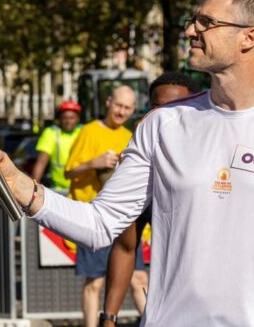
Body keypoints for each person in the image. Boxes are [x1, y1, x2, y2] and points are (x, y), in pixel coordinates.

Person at [0, 0, 254, 326]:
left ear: (249, 37)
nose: (190, 31)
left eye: (207, 22)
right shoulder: (162, 124)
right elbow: (100, 224)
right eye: (192, 20)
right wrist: (21, 186)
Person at [101, 72, 200, 326]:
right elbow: (125, 247)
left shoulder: (210, 163)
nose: (164, 114)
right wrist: (108, 319)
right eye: (158, 107)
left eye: (176, 107)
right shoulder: (142, 169)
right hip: (165, 311)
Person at [61, 86, 143, 327]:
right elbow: (69, 171)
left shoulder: (131, 135)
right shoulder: (89, 131)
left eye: (127, 108)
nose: (121, 111)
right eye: (118, 105)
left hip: (125, 219)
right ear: (108, 102)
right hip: (94, 216)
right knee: (95, 282)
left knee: (139, 279)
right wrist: (93, 163)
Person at [31, 100, 83, 193]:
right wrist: (33, 189)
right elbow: (41, 162)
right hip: (59, 191)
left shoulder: (84, 132)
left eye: (72, 117)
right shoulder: (51, 133)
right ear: (59, 119)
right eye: (64, 118)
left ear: (78, 118)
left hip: (82, 190)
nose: (68, 121)